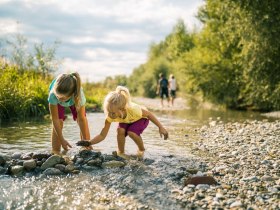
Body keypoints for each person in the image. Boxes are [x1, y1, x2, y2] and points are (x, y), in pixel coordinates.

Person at [76, 86, 168, 158]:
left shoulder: (134, 110)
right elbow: (102, 135)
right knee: (120, 131)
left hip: (141, 118)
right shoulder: (110, 116)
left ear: (122, 109)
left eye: (112, 113)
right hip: (126, 119)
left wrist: (160, 127)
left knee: (131, 132)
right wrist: (89, 143)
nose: (110, 115)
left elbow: (148, 114)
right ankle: (121, 153)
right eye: (108, 112)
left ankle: (142, 150)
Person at [48, 72, 91, 154]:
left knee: (82, 120)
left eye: (62, 98)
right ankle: (55, 151)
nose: (59, 99)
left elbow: (81, 119)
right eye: (58, 97)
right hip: (57, 93)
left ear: (71, 95)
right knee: (59, 122)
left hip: (75, 99)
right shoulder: (53, 95)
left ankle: (86, 148)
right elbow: (55, 120)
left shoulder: (79, 96)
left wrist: (87, 142)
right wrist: (62, 140)